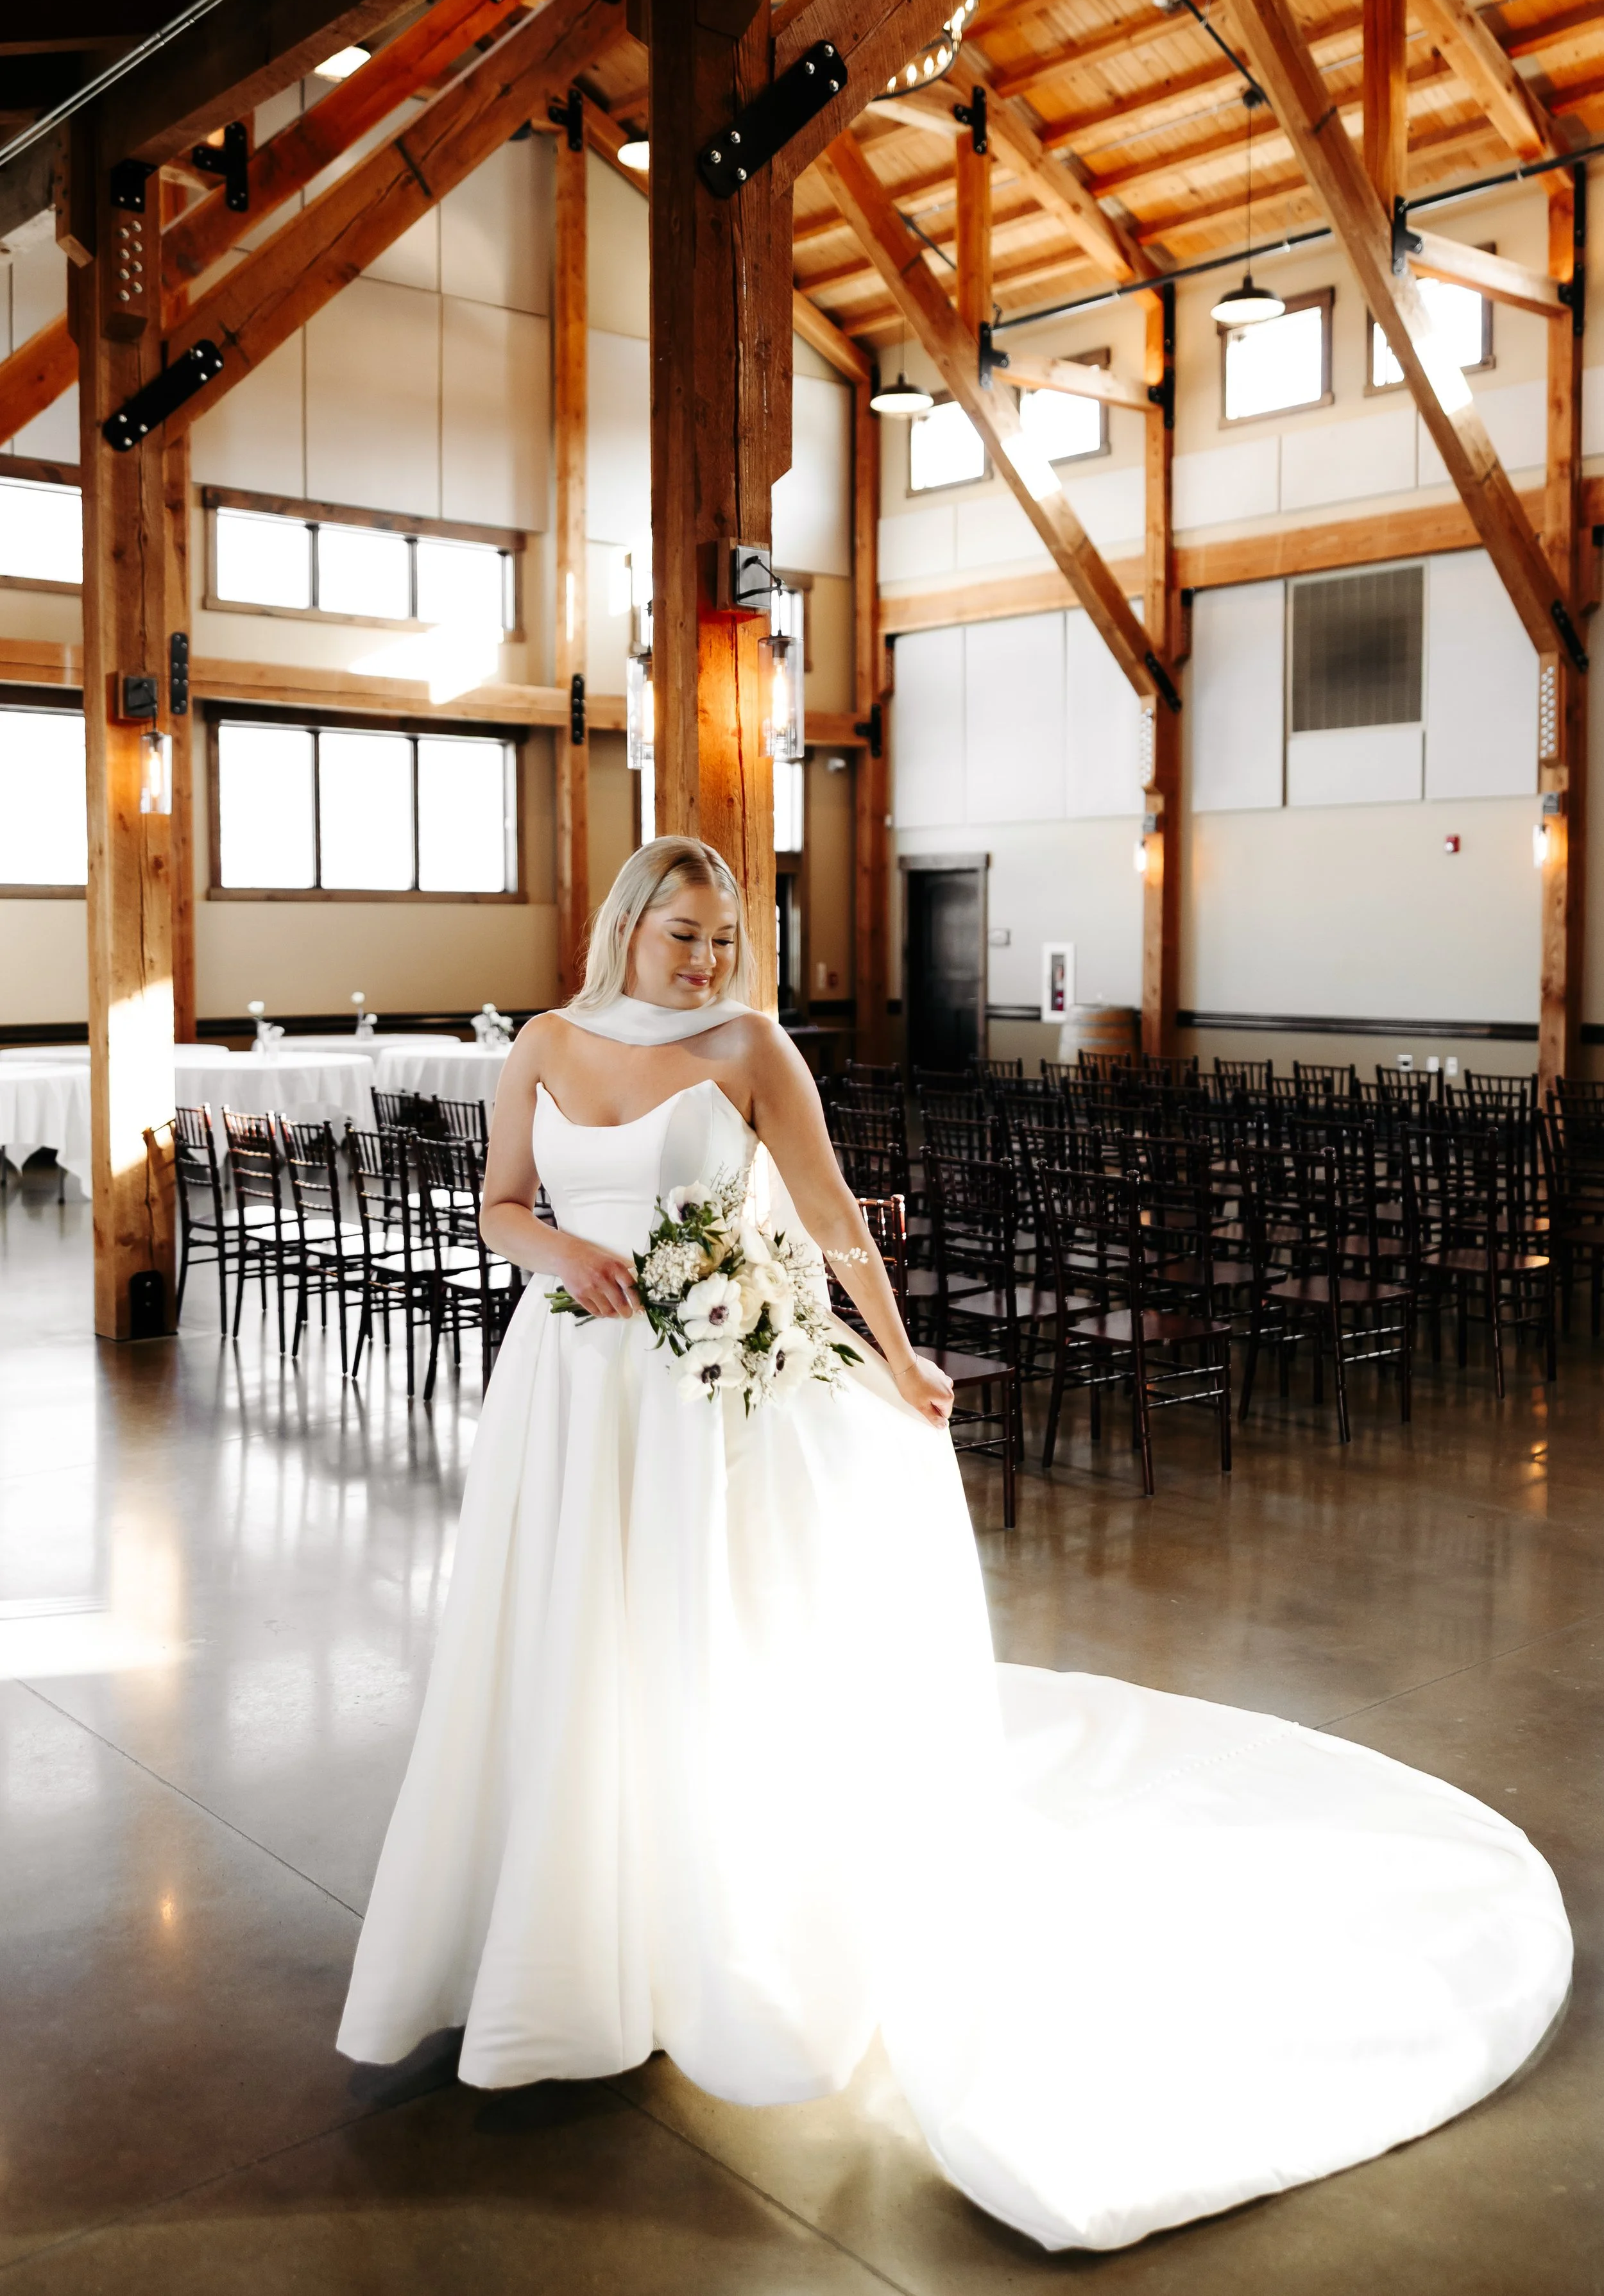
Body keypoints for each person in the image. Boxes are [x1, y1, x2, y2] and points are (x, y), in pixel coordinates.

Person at [339, 837, 1571, 2254]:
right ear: (626, 924)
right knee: (571, 1638)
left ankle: (703, 1924)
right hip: (570, 1383)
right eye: (681, 933)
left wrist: (901, 1353)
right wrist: (559, 1252)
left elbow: (825, 1220)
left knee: (695, 1633)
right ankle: (560, 1928)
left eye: (721, 940)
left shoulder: (751, 1049)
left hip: (702, 1393)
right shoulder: (544, 1045)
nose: (702, 961)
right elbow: (503, 1202)